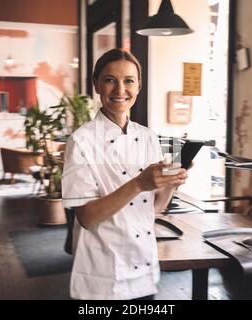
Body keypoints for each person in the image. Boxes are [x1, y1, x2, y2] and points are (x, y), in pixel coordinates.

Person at [62, 48, 188, 300]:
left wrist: (171, 183)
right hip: (103, 273)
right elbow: (86, 217)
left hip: (143, 267)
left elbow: (153, 209)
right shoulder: (81, 141)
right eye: (110, 80)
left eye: (129, 81)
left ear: (138, 86)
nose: (120, 89)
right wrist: (139, 184)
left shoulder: (148, 136)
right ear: (97, 85)